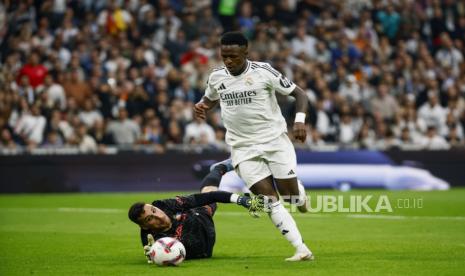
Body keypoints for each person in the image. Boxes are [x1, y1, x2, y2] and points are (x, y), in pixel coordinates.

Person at [194, 32, 313, 261]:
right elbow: (209, 98)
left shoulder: (263, 72)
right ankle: (301, 249)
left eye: (234, 56)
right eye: (224, 56)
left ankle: (299, 193)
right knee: (269, 200)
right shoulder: (216, 76)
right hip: (242, 147)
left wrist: (299, 121)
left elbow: (299, 94)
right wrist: (202, 106)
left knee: (290, 197)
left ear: (246, 53)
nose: (228, 61)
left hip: (274, 141)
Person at [128, 162, 266, 262]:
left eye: (154, 210)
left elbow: (209, 198)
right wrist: (154, 255)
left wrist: (243, 201)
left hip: (200, 217)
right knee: (207, 192)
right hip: (202, 251)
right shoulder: (152, 240)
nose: (158, 215)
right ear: (144, 226)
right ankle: (218, 169)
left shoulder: (167, 205)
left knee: (208, 192)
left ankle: (219, 168)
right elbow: (162, 254)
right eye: (149, 219)